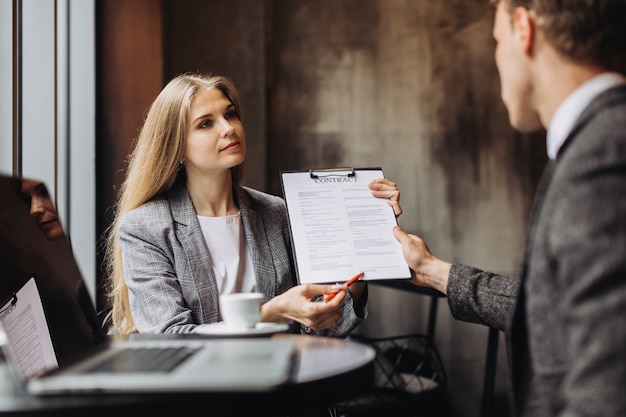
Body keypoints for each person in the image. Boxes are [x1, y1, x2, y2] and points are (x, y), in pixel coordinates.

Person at [392, 1, 626, 416]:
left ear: (523, 29)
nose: (497, 58)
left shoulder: (602, 155)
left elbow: (607, 389)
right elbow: (551, 308)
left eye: (496, 41)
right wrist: (432, 269)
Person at [103, 72, 402, 336]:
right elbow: (169, 340)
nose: (228, 128)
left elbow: (324, 329)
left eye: (230, 114)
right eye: (206, 124)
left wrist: (366, 245)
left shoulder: (276, 212)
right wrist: (271, 313)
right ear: (177, 146)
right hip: (198, 397)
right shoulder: (144, 227)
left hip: (281, 389)